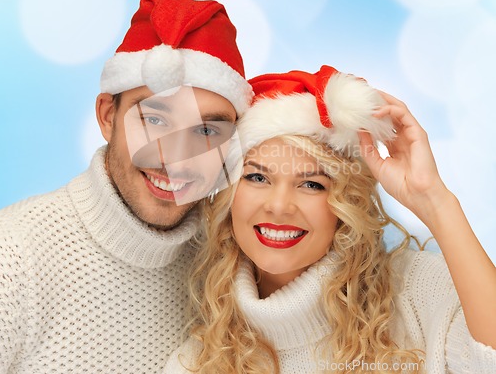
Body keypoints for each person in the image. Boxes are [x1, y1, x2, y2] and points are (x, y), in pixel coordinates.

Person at [164, 66, 496, 373]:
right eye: (257, 178)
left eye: (311, 184)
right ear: (228, 195)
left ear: (345, 203)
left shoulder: (419, 291)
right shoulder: (196, 363)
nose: (279, 206)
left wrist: (434, 200)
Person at [0, 0, 253, 373]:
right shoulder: (12, 257)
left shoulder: (226, 263)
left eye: (204, 130)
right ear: (107, 116)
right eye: (156, 119)